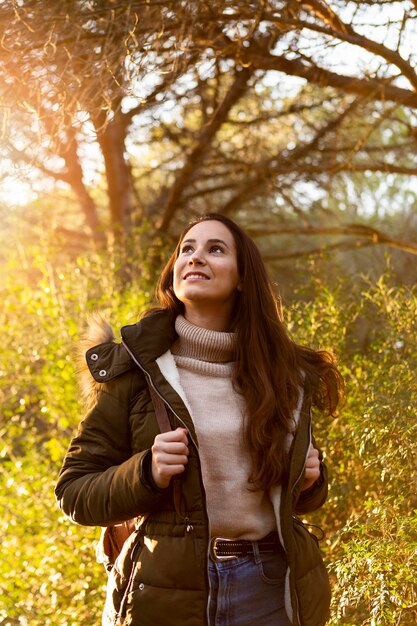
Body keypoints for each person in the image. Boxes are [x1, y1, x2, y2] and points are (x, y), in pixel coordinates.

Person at [55, 213, 343, 626]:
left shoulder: (284, 375)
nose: (196, 257)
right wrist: (146, 472)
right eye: (186, 249)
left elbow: (292, 500)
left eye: (215, 249)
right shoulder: (135, 370)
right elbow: (73, 490)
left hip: (271, 588)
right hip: (167, 590)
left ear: (243, 277)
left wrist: (312, 479)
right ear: (174, 272)